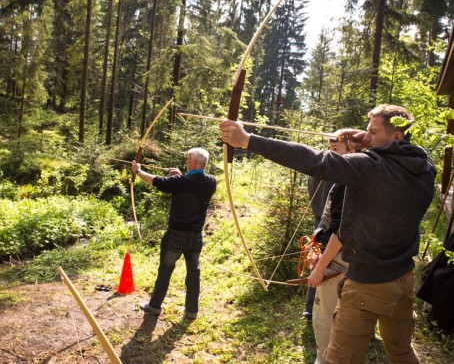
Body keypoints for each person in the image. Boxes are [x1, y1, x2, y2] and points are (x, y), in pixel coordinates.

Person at [220, 104, 436, 363]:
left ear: (396, 136)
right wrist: (366, 136)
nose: (366, 136)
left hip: (368, 285)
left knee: (339, 359)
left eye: (372, 131)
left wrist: (248, 140)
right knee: (401, 352)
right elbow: (396, 150)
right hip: (404, 280)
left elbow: (315, 160)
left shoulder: (370, 167)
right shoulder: (425, 166)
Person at [132, 147, 216, 320]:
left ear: (193, 163)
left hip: (176, 236)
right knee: (194, 273)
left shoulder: (180, 182)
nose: (186, 162)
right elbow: (190, 183)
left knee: (165, 269)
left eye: (187, 160)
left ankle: (154, 306)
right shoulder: (211, 181)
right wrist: (180, 174)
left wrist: (138, 170)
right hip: (196, 237)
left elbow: (154, 180)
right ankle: (191, 311)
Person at [307, 134, 355, 364]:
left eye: (338, 148)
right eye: (331, 148)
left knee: (326, 315)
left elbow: (341, 231)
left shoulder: (351, 180)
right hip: (332, 247)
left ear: (352, 148)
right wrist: (317, 238)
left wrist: (320, 266)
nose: (332, 154)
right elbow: (327, 218)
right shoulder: (339, 173)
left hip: (340, 257)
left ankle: (325, 358)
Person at [304, 141, 337, 321]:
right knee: (319, 264)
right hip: (327, 224)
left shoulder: (320, 164)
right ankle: (312, 310)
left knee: (318, 264)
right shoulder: (336, 168)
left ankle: (310, 311)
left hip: (321, 222)